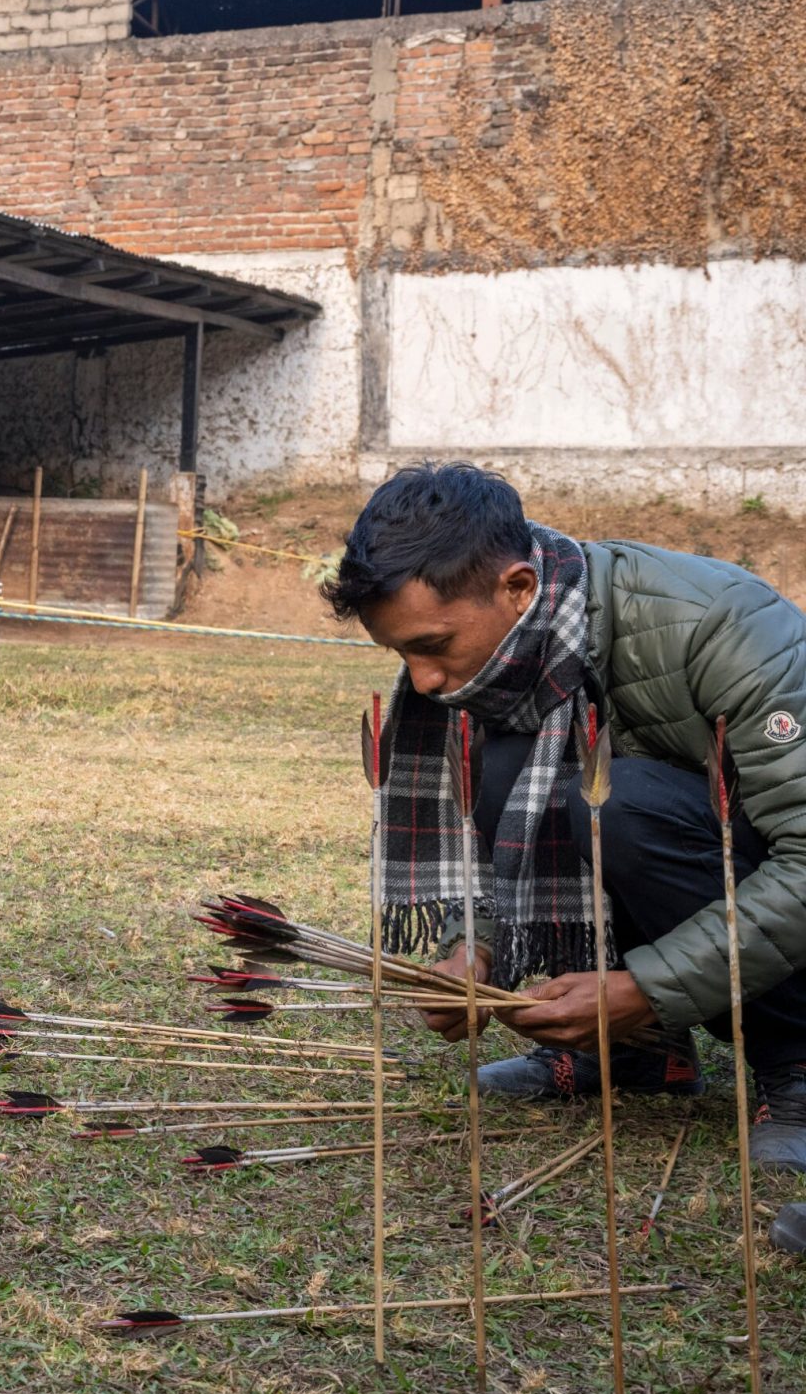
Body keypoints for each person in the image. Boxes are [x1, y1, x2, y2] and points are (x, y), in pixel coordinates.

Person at [328, 463, 806, 1249]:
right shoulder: (502, 665)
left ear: (517, 587)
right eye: (400, 652)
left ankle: (794, 1059)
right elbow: (498, 831)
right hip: (689, 874)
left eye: (433, 645)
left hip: (767, 873)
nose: (422, 680)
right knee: (525, 773)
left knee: (615, 803)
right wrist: (471, 948)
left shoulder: (723, 624)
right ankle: (642, 1058)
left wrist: (644, 986)